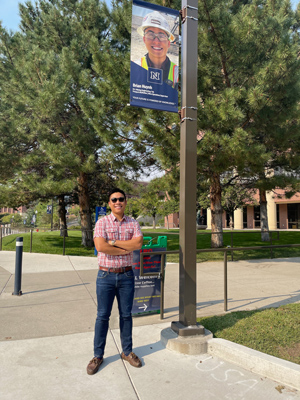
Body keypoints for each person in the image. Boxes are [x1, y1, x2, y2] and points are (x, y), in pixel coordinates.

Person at [87, 188, 144, 375]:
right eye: (114, 199)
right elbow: (100, 246)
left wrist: (113, 243)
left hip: (127, 275)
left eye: (121, 199)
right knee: (102, 316)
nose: (118, 202)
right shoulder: (101, 222)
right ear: (109, 203)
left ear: (125, 202)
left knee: (126, 315)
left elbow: (137, 244)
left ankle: (127, 352)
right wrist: (121, 248)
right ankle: (98, 356)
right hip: (105, 276)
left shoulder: (133, 223)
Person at [136, 11, 179, 89]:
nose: (156, 41)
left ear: (168, 43)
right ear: (144, 39)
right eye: (150, 35)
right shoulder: (136, 67)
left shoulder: (177, 73)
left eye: (161, 36)